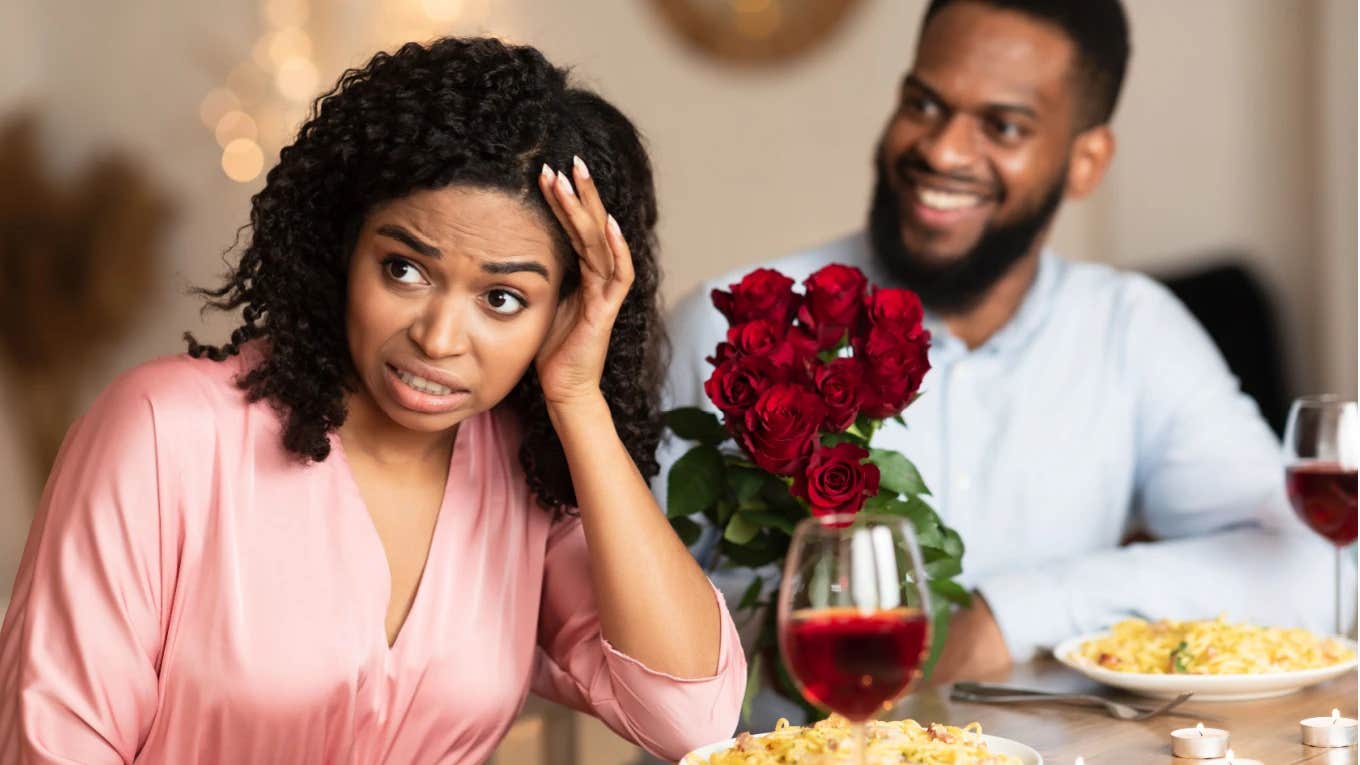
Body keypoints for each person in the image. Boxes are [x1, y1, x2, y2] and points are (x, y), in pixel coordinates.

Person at [0, 37, 744, 763]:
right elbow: (55, 741)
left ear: (566, 310)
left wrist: (578, 397)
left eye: (503, 298)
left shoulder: (526, 478)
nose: (441, 336)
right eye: (404, 269)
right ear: (343, 244)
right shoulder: (165, 433)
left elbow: (690, 717)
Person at [660, 0, 1334, 727]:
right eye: (924, 103)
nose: (943, 151)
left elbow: (1309, 570)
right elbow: (609, 617)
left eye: (1003, 125)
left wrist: (1011, 613)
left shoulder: (1132, 330)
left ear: (1086, 161)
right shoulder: (732, 328)